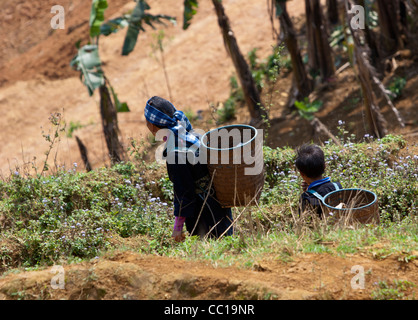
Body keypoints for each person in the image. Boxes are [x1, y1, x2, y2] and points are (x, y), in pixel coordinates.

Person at [144, 96, 233, 242]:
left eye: (146, 121)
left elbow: (184, 193)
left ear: (153, 126)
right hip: (219, 204)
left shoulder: (176, 152)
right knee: (229, 245)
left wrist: (177, 229)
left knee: (213, 249)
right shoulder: (189, 134)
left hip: (205, 214)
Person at [295, 143, 342, 218]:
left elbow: (304, 223)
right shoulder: (338, 187)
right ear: (324, 166)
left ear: (301, 173)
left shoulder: (307, 198)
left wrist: (307, 193)